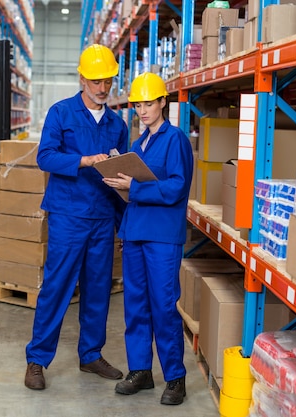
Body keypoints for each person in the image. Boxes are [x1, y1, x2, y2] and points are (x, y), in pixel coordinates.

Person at [24, 44, 128, 391]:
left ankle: (91, 355)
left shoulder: (117, 124)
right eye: (96, 81)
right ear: (82, 78)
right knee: (57, 287)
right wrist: (83, 161)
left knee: (98, 290)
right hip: (68, 215)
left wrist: (122, 222)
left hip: (101, 216)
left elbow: (120, 174)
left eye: (107, 81)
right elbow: (46, 158)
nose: (102, 88)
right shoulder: (61, 113)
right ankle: (37, 360)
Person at [102, 72, 194, 405]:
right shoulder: (138, 145)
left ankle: (175, 378)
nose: (142, 110)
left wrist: (134, 186)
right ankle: (140, 370)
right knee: (135, 305)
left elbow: (176, 187)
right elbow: (133, 191)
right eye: (138, 104)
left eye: (148, 103)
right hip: (136, 232)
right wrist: (116, 175)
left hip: (162, 237)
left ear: (162, 103)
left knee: (163, 307)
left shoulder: (175, 140)